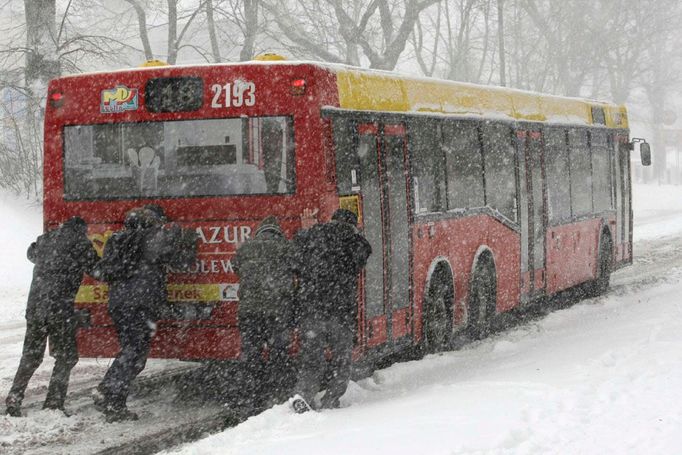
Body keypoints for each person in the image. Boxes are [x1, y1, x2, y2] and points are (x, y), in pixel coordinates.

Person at [92, 205, 196, 422]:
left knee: (131, 351)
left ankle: (115, 404)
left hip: (118, 303)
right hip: (142, 302)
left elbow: (106, 270)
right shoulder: (153, 239)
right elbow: (180, 262)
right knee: (135, 353)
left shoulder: (115, 240)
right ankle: (106, 388)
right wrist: (184, 238)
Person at [5, 216, 99, 417]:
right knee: (67, 356)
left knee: (31, 356)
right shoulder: (81, 243)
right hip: (59, 310)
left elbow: (31, 253)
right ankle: (54, 403)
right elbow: (98, 270)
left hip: (36, 308)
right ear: (82, 230)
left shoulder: (44, 239)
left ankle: (14, 396)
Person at [290, 208, 371, 413]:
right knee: (341, 361)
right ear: (353, 225)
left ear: (332, 220)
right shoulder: (355, 242)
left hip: (311, 312)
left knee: (311, 359)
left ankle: (304, 396)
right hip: (340, 314)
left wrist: (307, 232)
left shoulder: (311, 236)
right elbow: (362, 255)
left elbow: (295, 262)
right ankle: (331, 399)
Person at [233, 216, 296, 409]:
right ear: (278, 232)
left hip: (249, 311)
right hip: (277, 311)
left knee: (251, 352)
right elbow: (297, 266)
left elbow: (235, 266)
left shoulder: (245, 247)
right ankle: (277, 392)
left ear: (259, 231)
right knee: (278, 352)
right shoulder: (285, 247)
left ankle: (251, 393)